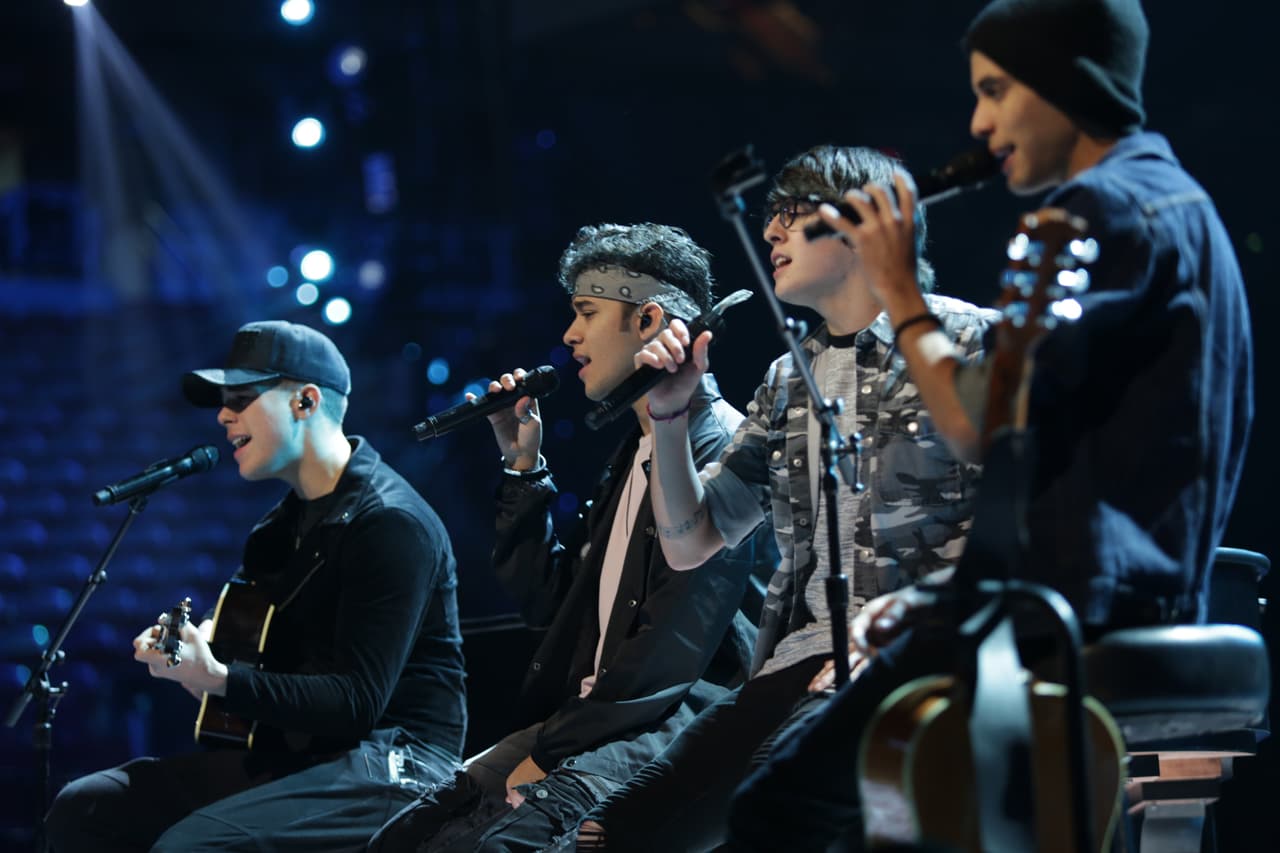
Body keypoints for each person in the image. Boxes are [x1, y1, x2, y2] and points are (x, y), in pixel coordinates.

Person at [721, 1, 1255, 849]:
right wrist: (937, 594)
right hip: (1114, 596)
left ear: (1067, 81)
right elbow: (1049, 454)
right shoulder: (1178, 204)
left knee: (773, 809)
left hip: (1060, 615)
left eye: (997, 90)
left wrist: (898, 289)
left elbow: (977, 425)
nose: (979, 122)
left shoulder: (1100, 211)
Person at [571, 146, 998, 852]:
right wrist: (672, 418)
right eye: (769, 215)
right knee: (610, 833)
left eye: (793, 213)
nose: (770, 231)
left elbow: (1016, 518)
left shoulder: (967, 340)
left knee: (777, 807)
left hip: (923, 647)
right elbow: (691, 540)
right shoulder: (786, 378)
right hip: (799, 659)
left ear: (867, 222)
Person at [366, 222, 776, 852]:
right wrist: (523, 470)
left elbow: (669, 654)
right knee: (402, 841)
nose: (570, 335)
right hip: (589, 724)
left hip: (662, 729)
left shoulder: (716, 445)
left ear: (648, 322)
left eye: (586, 312)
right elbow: (552, 608)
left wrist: (554, 750)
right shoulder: (632, 453)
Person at [45, 321, 467, 852]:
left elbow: (356, 701)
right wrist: (193, 660)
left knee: (192, 846)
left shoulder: (390, 524)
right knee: (85, 809)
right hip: (303, 755)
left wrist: (219, 677)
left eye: (242, 399)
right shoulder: (272, 534)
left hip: (397, 764)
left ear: (306, 402)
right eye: (224, 403)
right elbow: (259, 668)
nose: (224, 416)